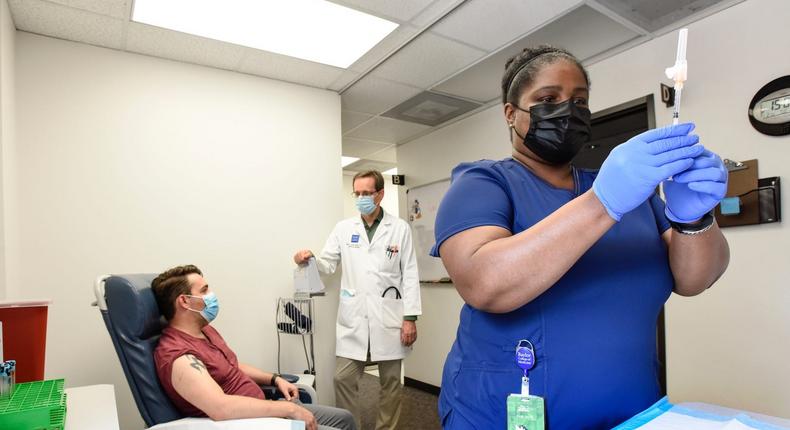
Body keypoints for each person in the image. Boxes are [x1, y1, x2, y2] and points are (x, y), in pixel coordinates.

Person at [431, 46, 729, 429]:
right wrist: (602, 203)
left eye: (579, 101)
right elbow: (484, 283)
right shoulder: (484, 183)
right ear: (510, 113)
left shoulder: (634, 195)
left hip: (632, 413)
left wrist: (694, 218)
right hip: (502, 415)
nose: (567, 111)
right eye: (547, 99)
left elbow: (695, 279)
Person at [151, 265, 356, 430]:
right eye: (204, 290)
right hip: (247, 422)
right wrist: (287, 409)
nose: (211, 295)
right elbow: (220, 408)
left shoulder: (205, 330)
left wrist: (275, 379)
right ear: (185, 301)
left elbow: (231, 366)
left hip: (266, 407)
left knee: (345, 419)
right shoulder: (178, 356)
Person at [294, 170, 422, 430]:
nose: (361, 198)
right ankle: (351, 427)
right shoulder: (344, 229)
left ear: (380, 194)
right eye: (358, 193)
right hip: (354, 318)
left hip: (390, 318)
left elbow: (409, 273)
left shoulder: (399, 229)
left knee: (391, 383)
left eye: (367, 193)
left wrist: (410, 318)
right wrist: (308, 260)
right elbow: (328, 264)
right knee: (343, 378)